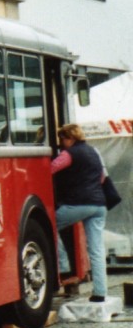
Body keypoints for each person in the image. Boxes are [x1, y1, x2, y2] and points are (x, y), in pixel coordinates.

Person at [52, 123, 109, 302]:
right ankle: (100, 292)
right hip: (99, 205)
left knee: (49, 225)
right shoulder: (94, 152)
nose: (61, 144)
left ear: (69, 138)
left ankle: (63, 266)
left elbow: (49, 169)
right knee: (96, 249)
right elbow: (102, 177)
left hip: (78, 203)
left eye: (62, 140)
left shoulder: (69, 154)